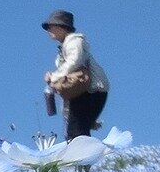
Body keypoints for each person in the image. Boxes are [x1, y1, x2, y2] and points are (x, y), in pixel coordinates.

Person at [40, 10, 109, 140]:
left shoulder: (74, 41)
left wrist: (54, 77)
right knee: (74, 131)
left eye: (51, 26)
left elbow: (74, 61)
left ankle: (82, 158)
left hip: (91, 90)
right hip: (86, 91)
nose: (48, 30)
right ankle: (83, 157)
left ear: (61, 27)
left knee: (76, 133)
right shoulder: (64, 47)